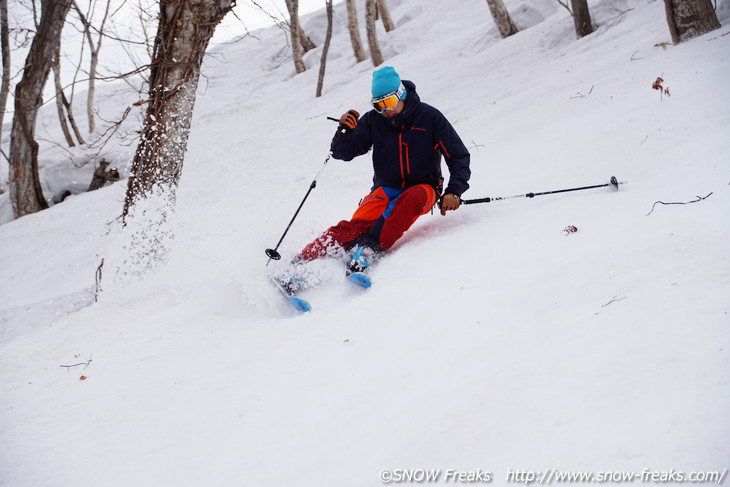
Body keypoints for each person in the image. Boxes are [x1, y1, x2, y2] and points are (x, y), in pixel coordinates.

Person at [282, 66, 471, 291]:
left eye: (388, 103)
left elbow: (458, 156)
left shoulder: (430, 118)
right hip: (385, 188)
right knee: (356, 226)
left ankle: (368, 249)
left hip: (425, 188)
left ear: (400, 95)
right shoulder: (374, 121)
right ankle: (300, 263)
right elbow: (343, 153)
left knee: (409, 200)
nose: (385, 110)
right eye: (378, 105)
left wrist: (454, 191)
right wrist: (344, 132)